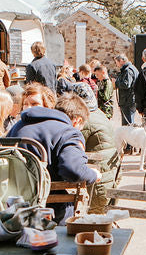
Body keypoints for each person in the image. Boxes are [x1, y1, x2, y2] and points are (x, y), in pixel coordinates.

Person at [8, 92, 98, 221]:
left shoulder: (18, 126)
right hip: (47, 208)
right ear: (77, 121)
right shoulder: (69, 132)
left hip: (15, 201)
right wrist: (94, 175)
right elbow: (72, 171)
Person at [70, 83, 119, 213]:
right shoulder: (99, 113)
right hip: (110, 176)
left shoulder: (85, 120)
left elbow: (72, 147)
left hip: (98, 183)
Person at [115, 53, 139, 126]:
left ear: (121, 61)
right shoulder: (131, 69)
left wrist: (116, 83)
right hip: (129, 99)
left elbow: (126, 84)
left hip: (128, 100)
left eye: (117, 63)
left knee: (127, 124)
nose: (117, 65)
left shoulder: (128, 70)